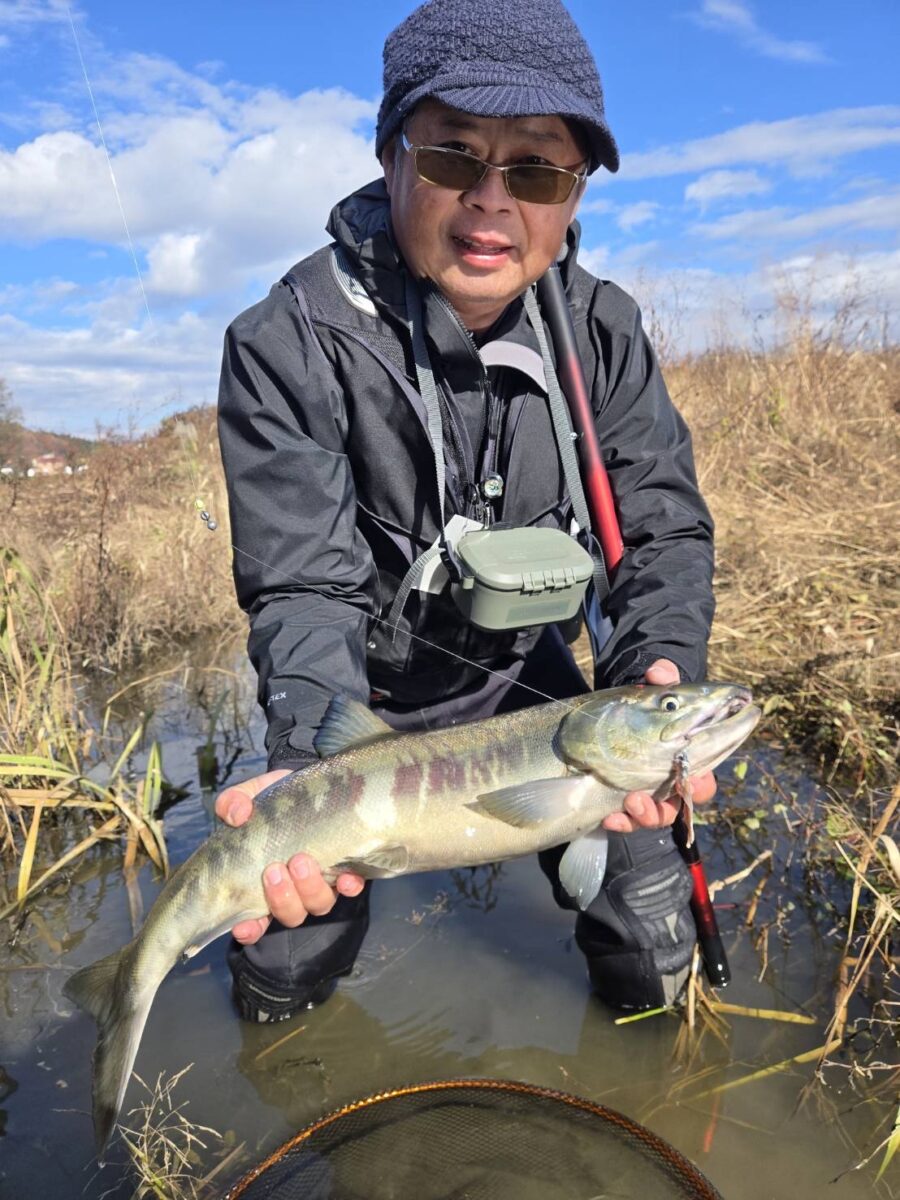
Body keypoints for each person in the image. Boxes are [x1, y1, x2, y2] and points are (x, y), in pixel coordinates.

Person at [215, 0, 716, 1024]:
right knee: (284, 947)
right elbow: (303, 583)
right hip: (361, 701)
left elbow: (660, 530)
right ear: (392, 157)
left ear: (571, 195)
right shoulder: (286, 338)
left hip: (529, 694)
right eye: (453, 158)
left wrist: (658, 669)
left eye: (535, 171)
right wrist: (311, 751)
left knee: (648, 924)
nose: (493, 204)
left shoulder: (604, 332)